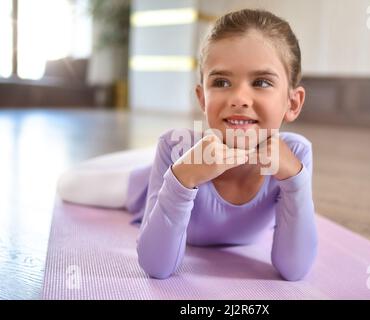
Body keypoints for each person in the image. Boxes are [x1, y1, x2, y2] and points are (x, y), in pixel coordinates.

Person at [58, 9, 318, 281]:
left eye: (261, 82)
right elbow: (157, 267)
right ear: (203, 98)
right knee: (68, 184)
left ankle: (148, 158)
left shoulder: (295, 156)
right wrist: (183, 177)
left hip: (191, 150)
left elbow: (294, 269)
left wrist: (295, 180)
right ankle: (148, 164)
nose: (239, 97)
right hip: (153, 180)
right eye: (221, 82)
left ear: (293, 103)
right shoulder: (176, 148)